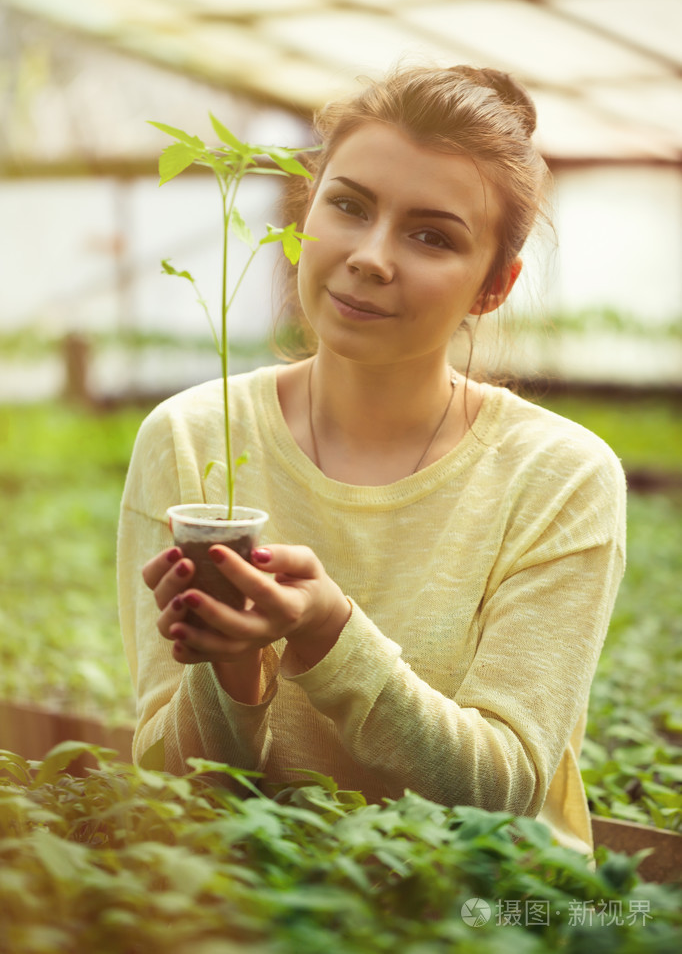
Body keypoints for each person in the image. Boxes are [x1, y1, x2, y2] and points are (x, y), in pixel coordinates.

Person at [117, 64, 626, 857]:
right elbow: (173, 787)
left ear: (494, 285)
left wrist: (329, 635)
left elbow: (501, 791)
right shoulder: (190, 437)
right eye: (349, 206)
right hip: (259, 904)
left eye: (432, 235)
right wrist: (233, 665)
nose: (371, 256)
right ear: (304, 211)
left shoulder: (558, 475)